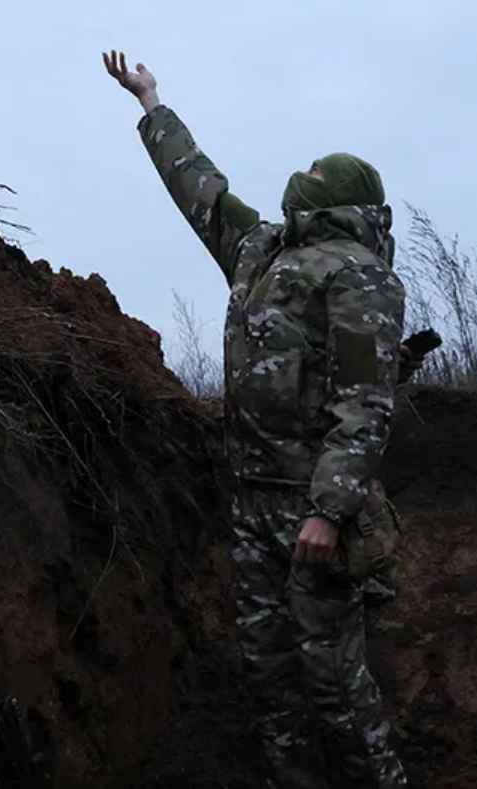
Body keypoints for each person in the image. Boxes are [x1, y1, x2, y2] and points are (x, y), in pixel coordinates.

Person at [106, 50, 409, 788]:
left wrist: (331, 512)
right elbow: (202, 192)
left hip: (311, 512)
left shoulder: (356, 272)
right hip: (252, 504)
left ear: (341, 198)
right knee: (271, 679)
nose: (300, 172)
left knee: (334, 682)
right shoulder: (262, 251)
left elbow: (365, 404)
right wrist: (152, 105)